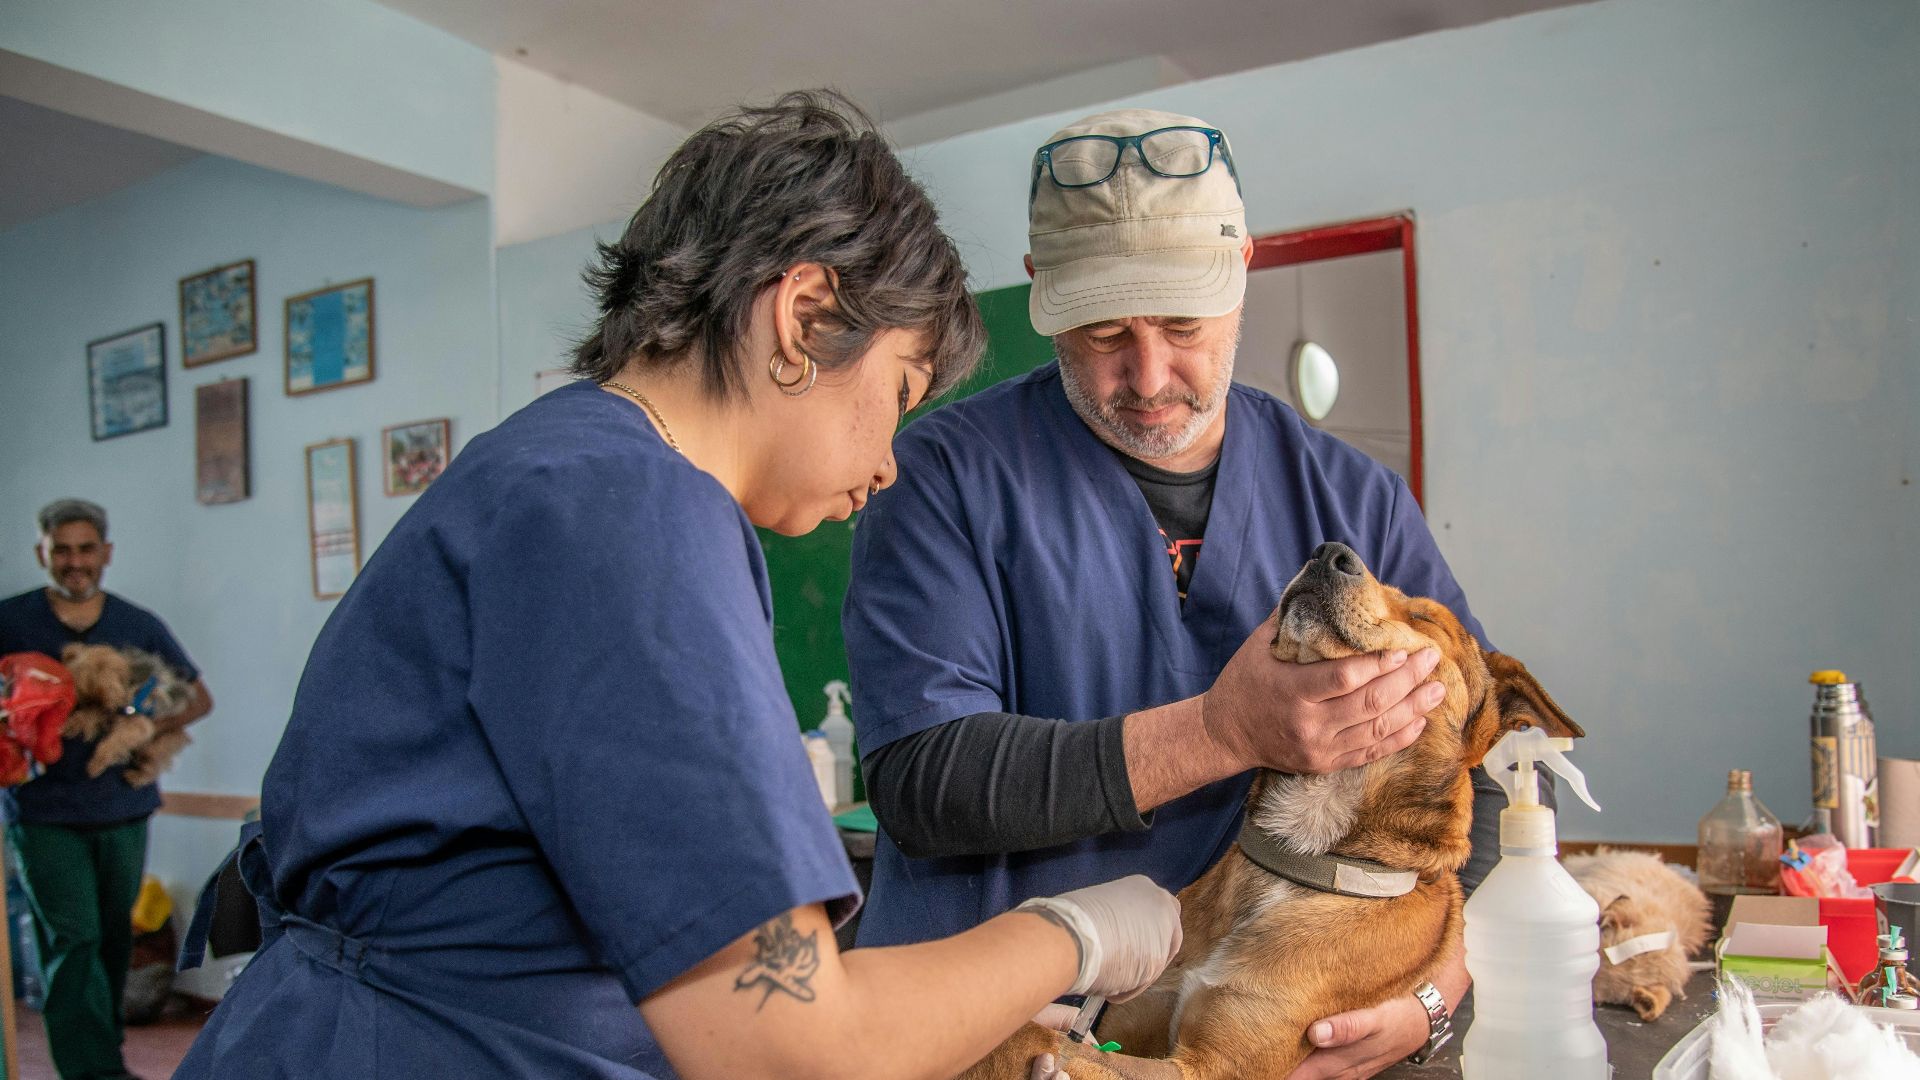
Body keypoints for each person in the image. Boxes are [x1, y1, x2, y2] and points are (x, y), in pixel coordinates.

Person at [175, 92, 1183, 1080]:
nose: (887, 465)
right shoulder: (637, 510)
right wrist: (1073, 934)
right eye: (900, 393)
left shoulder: (550, 466)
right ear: (805, 315)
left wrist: (966, 997)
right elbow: (792, 1051)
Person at [844, 108, 1554, 1077]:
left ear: (1242, 273)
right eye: (1103, 331)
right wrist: (1221, 733)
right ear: (1040, 286)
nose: (1148, 376)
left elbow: (1492, 773)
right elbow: (922, 781)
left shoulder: (1353, 501)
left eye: (1183, 326)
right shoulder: (941, 477)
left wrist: (1435, 994)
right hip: (979, 1042)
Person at [0, 498, 213, 1080]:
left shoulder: (136, 624)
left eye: (86, 549)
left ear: (106, 553)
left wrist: (141, 730)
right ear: (42, 553)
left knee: (115, 940)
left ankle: (106, 1058)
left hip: (123, 808)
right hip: (43, 813)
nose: (75, 562)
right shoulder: (11, 621)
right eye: (62, 550)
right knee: (73, 938)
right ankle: (90, 1072)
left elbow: (199, 699)